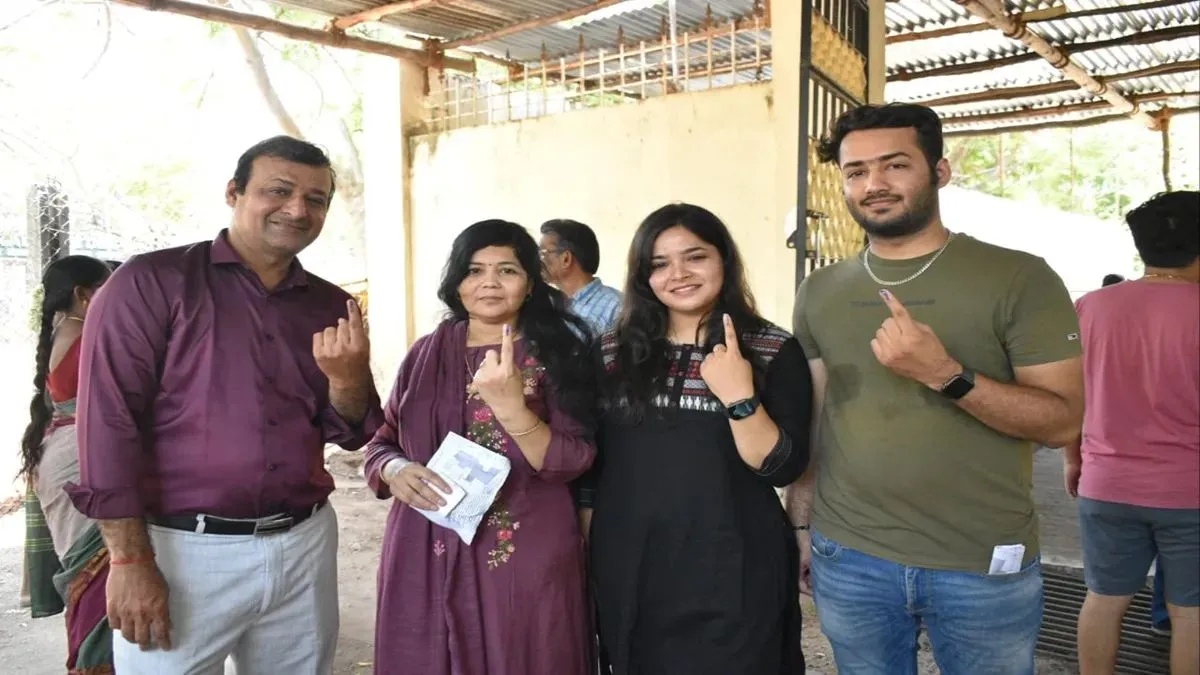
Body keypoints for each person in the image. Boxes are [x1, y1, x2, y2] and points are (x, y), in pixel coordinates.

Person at [65, 135, 385, 674]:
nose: (297, 209)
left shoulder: (332, 304)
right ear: (234, 192)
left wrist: (349, 379)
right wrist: (129, 558)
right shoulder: (151, 283)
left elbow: (350, 430)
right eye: (278, 190)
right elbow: (108, 425)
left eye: (316, 199)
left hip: (304, 542)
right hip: (182, 550)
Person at [785, 103, 1084, 675]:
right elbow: (817, 418)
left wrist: (946, 374)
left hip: (981, 562)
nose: (873, 184)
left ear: (940, 171)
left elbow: (1062, 423)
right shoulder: (819, 291)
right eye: (855, 171)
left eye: (895, 165)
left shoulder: (1020, 278)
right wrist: (800, 524)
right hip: (850, 556)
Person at [579, 203, 812, 675]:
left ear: (724, 259)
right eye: (659, 263)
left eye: (695, 257)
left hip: (736, 564)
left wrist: (739, 398)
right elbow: (592, 464)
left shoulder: (770, 348)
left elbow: (781, 466)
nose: (678, 274)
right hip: (632, 563)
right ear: (643, 276)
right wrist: (588, 547)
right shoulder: (610, 351)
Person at [363, 219, 598, 675]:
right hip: (426, 544)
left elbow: (574, 459)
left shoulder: (559, 354)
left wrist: (514, 410)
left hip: (521, 552)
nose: (489, 282)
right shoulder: (425, 354)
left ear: (531, 284)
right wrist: (394, 470)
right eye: (474, 270)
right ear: (457, 283)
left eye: (507, 270)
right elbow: (381, 443)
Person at [1067, 191, 1199, 675]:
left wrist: (1072, 459)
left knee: (1103, 599)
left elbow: (1070, 396)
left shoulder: (1090, 307)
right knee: (1191, 613)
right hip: (1190, 492)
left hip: (1106, 485)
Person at [19, 254, 113, 672]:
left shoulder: (64, 329)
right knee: (102, 577)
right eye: (106, 289)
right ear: (82, 294)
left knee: (89, 576)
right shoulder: (87, 333)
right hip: (81, 461)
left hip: (63, 457)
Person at [540, 219, 622, 334]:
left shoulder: (617, 306)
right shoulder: (545, 302)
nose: (538, 260)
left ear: (566, 259)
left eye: (543, 253)